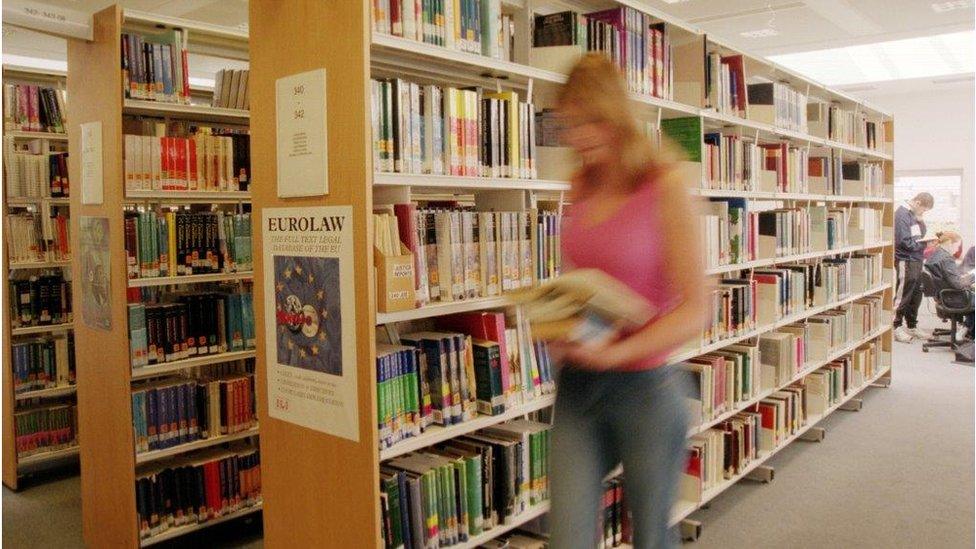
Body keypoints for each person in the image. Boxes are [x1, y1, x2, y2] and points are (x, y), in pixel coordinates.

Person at [549, 54, 707, 549]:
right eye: (569, 125)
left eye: (589, 122)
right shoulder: (581, 185)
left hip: (646, 390)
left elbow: (697, 307)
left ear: (616, 115)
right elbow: (586, 283)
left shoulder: (664, 186)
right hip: (578, 387)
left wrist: (615, 353)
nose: (578, 137)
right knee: (568, 537)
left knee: (651, 538)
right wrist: (560, 321)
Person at [893, 192, 934, 342]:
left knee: (916, 294)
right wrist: (924, 244)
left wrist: (921, 221)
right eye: (924, 209)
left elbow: (920, 236)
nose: (923, 212)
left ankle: (911, 325)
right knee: (903, 295)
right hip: (906, 260)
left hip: (916, 259)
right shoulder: (902, 214)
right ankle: (896, 326)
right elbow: (904, 242)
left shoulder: (913, 216)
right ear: (917, 203)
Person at [925, 231, 975, 340]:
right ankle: (969, 330)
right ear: (949, 243)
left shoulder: (936, 254)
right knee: (973, 298)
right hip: (952, 298)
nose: (957, 250)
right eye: (957, 246)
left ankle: (967, 328)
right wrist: (972, 277)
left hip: (943, 295)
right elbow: (957, 285)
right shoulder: (947, 259)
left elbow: (952, 279)